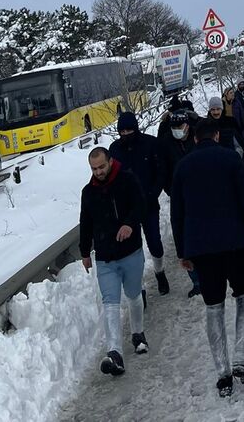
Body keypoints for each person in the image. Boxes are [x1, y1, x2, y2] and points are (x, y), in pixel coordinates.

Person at [170, 119, 244, 397]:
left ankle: (223, 374)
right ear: (216, 136)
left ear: (193, 139)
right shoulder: (230, 159)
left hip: (201, 248)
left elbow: (176, 214)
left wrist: (183, 251)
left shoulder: (183, 167)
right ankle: (241, 357)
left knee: (213, 306)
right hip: (235, 242)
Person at [79, 147, 148, 376]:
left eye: (101, 166)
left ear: (110, 162)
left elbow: (140, 205)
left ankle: (138, 333)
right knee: (110, 302)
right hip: (106, 257)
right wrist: (85, 252)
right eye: (94, 169)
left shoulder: (127, 180)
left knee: (134, 295)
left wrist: (129, 224)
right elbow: (86, 222)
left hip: (130, 252)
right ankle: (114, 353)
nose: (98, 172)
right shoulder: (88, 192)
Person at [109, 112, 169, 295]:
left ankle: (160, 272)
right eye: (122, 131)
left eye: (129, 130)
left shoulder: (151, 144)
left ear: (136, 128)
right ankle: (139, 288)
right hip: (127, 210)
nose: (126, 134)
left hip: (149, 204)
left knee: (155, 243)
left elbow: (161, 172)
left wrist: (153, 193)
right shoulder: (115, 149)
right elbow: (111, 177)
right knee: (133, 252)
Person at [159, 110, 203, 297]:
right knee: (185, 239)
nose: (178, 130)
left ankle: (212, 272)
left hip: (201, 194)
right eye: (174, 127)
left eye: (181, 126)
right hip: (179, 198)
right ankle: (196, 280)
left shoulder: (197, 138)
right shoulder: (166, 143)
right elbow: (164, 171)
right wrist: (173, 191)